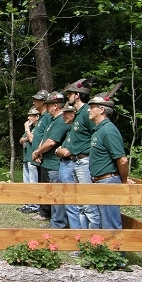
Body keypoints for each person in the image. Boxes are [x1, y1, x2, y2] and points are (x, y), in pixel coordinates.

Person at [87, 87, 135, 230]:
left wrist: (124, 180)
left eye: (92, 107)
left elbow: (122, 160)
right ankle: (105, 251)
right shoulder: (99, 129)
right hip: (99, 181)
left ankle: (116, 252)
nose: (89, 110)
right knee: (104, 222)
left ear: (101, 110)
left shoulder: (108, 130)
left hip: (107, 181)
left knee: (110, 225)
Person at [57, 78, 100, 229]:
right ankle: (81, 241)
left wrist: (80, 152)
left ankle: (94, 244)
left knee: (88, 204)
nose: (68, 97)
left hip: (84, 162)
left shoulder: (86, 112)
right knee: (79, 203)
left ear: (77, 95)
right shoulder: (78, 113)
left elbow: (97, 136)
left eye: (70, 94)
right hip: (75, 162)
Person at [32, 91, 71, 229]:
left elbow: (51, 142)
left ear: (55, 106)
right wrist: (40, 152)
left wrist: (37, 151)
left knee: (57, 195)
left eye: (48, 105)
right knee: (52, 194)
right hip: (48, 162)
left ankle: (58, 223)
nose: (46, 107)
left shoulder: (61, 121)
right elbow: (45, 139)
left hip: (55, 164)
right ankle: (55, 221)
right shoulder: (53, 120)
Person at [28, 90, 51, 221]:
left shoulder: (48, 116)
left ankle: (45, 212)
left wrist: (39, 152)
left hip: (44, 157)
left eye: (36, 100)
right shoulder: (43, 117)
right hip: (39, 156)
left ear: (43, 102)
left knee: (45, 185)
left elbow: (47, 137)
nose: (34, 102)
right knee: (41, 183)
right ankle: (42, 210)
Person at [18, 106, 40, 213]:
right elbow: (21, 140)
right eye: (29, 115)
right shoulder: (30, 128)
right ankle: (27, 203)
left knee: (33, 182)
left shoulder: (38, 128)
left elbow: (32, 139)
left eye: (31, 115)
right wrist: (27, 134)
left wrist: (27, 130)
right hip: (26, 157)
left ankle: (34, 205)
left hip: (33, 159)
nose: (29, 117)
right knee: (26, 182)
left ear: (37, 117)